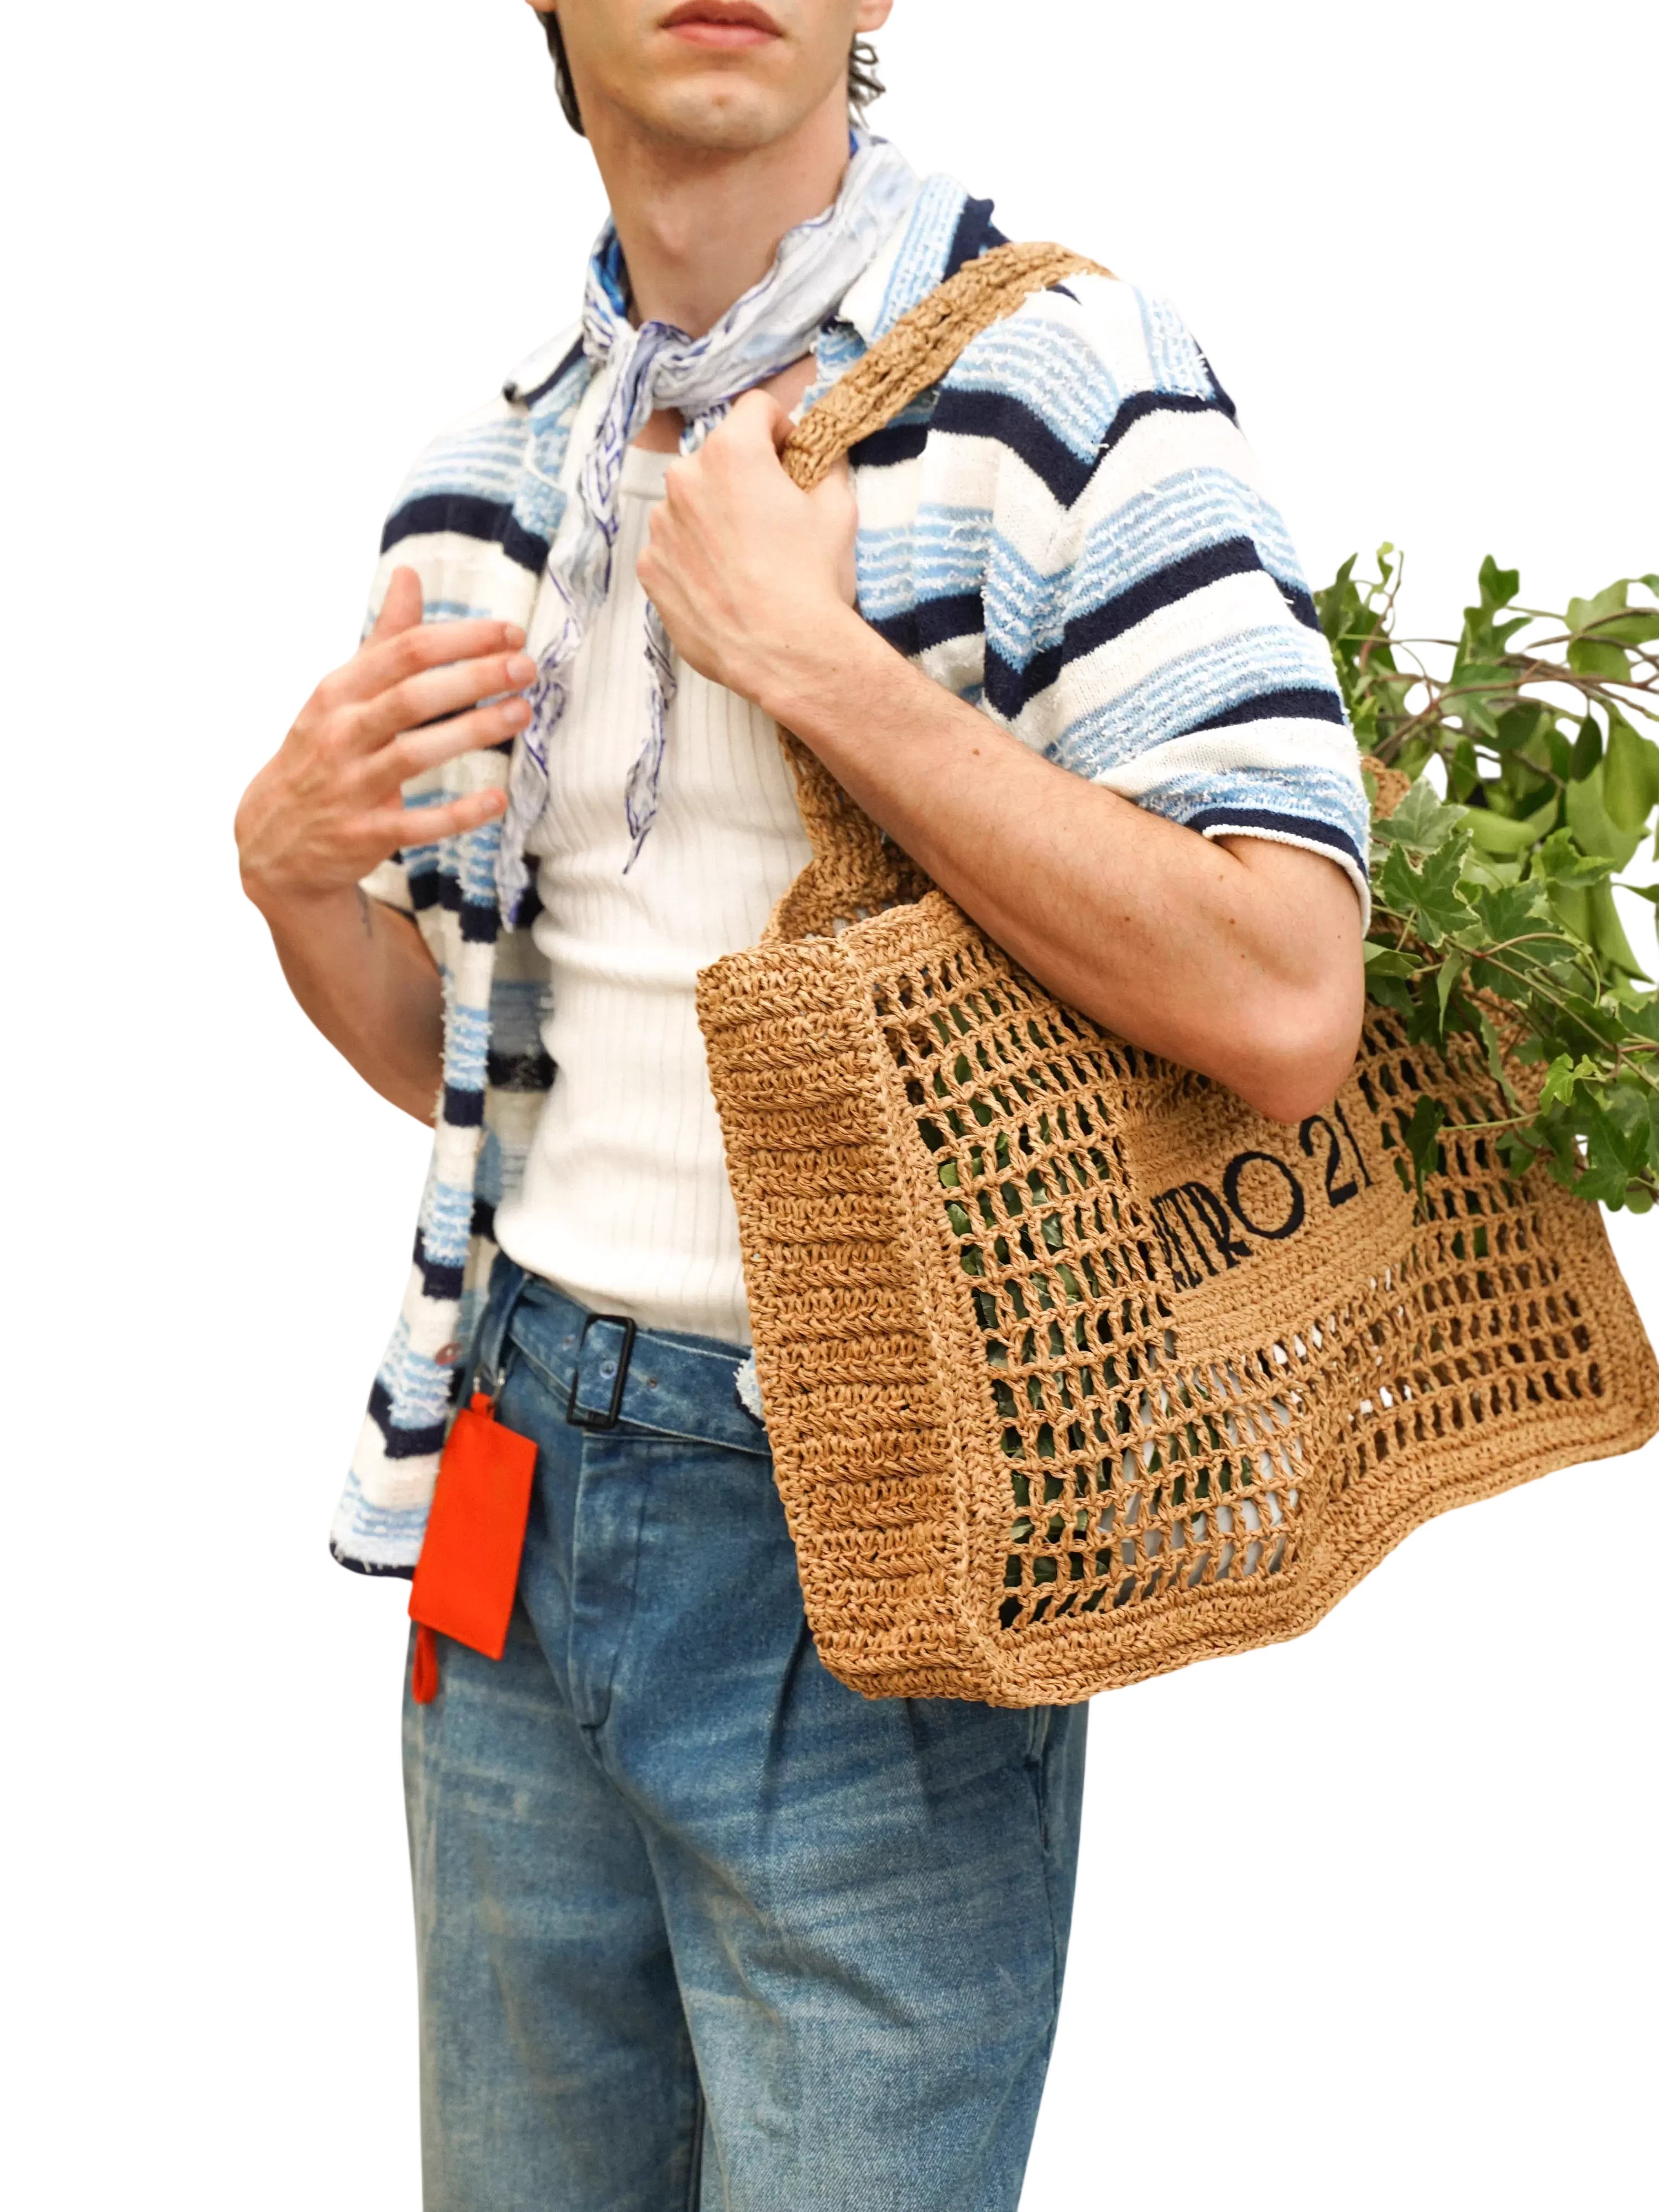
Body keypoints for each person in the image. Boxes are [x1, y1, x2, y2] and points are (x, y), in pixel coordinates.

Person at [234, 3, 1369, 2204]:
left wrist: (809, 660)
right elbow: (474, 1075)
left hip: (878, 1517)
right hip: (506, 1485)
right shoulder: (495, 465)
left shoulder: (1058, 377)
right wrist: (289, 881)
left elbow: (1285, 985)